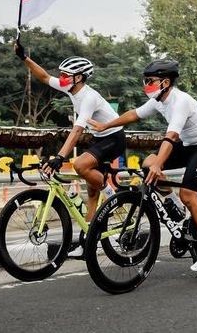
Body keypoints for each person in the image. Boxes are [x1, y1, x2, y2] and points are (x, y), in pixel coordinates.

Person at [88, 59, 197, 272]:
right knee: (148, 163)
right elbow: (134, 114)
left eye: (150, 81)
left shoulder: (180, 101)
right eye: (145, 81)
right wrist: (107, 125)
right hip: (188, 145)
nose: (146, 85)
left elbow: (171, 137)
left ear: (166, 82)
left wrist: (160, 163)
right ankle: (172, 202)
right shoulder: (159, 100)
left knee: (189, 195)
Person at [16, 42, 125, 257]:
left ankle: (113, 195)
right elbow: (45, 78)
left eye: (67, 75)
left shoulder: (89, 97)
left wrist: (60, 157)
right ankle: (89, 242)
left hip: (114, 138)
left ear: (79, 78)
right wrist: (24, 58)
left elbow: (76, 131)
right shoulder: (70, 87)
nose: (63, 78)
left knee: (79, 164)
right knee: (91, 192)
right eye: (63, 75)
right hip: (99, 138)